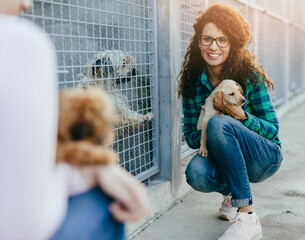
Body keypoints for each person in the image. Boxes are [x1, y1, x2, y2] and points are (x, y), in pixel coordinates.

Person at [0, 0, 150, 239]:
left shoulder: (112, 94)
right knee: (104, 201)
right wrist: (90, 173)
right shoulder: (20, 42)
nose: (27, 4)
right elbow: (23, 220)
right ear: (104, 70)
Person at [178, 3, 283, 240]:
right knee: (196, 172)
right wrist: (210, 121)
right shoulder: (193, 83)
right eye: (207, 39)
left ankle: (247, 217)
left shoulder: (249, 76)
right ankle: (232, 195)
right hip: (225, 156)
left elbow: (273, 131)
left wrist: (240, 117)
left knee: (220, 123)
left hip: (264, 157)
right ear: (198, 42)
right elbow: (192, 138)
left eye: (222, 40)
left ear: (232, 43)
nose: (213, 47)